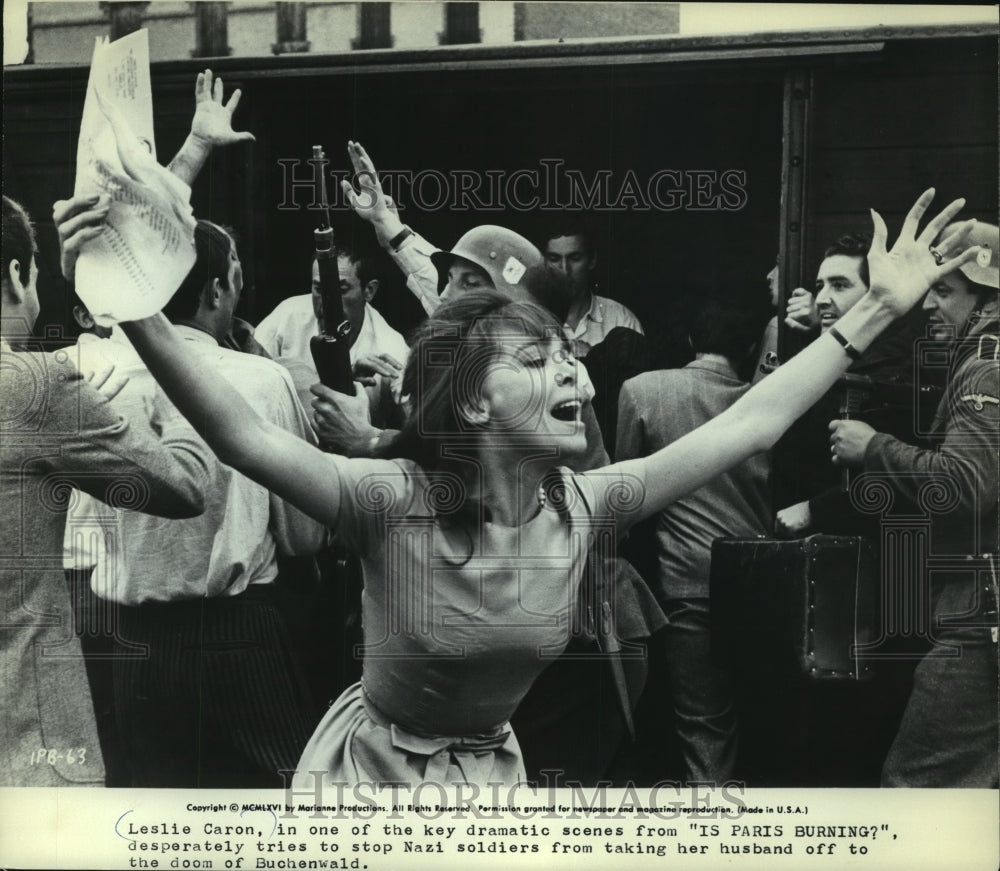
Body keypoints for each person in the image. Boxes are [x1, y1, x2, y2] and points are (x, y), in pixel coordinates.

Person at [56, 182, 979, 787]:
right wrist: (127, 295)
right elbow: (240, 434)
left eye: (568, 358)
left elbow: (752, 419)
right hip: (372, 783)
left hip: (496, 781)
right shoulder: (389, 502)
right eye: (538, 359)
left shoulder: (583, 504)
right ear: (472, 405)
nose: (576, 376)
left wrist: (878, 308)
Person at [64, 221, 330, 788]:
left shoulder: (95, 379)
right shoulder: (262, 380)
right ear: (215, 290)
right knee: (286, 810)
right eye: (236, 276)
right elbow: (305, 535)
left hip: (131, 643)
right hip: (238, 637)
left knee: (153, 815)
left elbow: (82, 538)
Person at [1, 195, 211, 787]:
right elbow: (185, 487)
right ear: (17, 275)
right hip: (29, 737)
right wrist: (151, 405)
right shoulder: (41, 388)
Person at [830, 221, 999, 788]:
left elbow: (963, 487)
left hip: (983, 615)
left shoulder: (986, 367)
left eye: (945, 290)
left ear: (989, 297)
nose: (927, 304)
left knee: (916, 786)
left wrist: (871, 447)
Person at [616, 296, 772, 784]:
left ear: (690, 340)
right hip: (763, 580)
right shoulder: (762, 402)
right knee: (763, 718)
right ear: (749, 347)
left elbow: (622, 497)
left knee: (704, 722)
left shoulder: (643, 391)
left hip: (687, 581)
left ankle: (710, 834)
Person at [254, 243, 409, 427]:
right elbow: (248, 379)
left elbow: (412, 426)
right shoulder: (287, 316)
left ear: (369, 290)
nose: (328, 302)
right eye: (319, 289)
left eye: (341, 290)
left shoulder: (392, 350)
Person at [542, 223, 644, 355]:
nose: (564, 270)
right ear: (543, 263)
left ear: (592, 260)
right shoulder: (527, 318)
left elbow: (642, 375)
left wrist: (593, 358)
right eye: (554, 259)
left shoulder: (620, 318)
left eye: (574, 258)